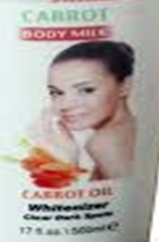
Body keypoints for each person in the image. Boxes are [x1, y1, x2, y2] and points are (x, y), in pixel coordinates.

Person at [31, 41, 136, 180]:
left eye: (86, 90)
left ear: (125, 86)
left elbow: (123, 192)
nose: (65, 105)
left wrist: (69, 159)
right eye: (57, 93)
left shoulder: (105, 141)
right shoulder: (127, 129)